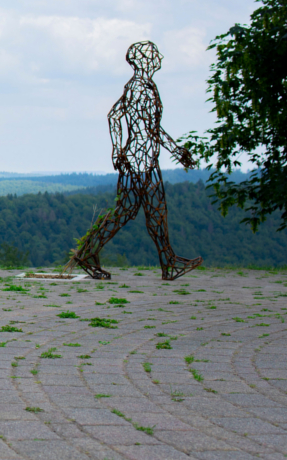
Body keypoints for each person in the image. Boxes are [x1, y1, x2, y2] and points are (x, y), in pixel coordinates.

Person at [71, 40, 202, 281]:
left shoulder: (141, 86)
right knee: (132, 212)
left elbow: (122, 118)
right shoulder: (140, 88)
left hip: (143, 160)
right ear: (144, 60)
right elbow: (142, 126)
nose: (159, 57)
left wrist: (120, 150)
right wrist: (118, 151)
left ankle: (168, 262)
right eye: (154, 54)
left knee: (151, 212)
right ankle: (88, 254)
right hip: (139, 163)